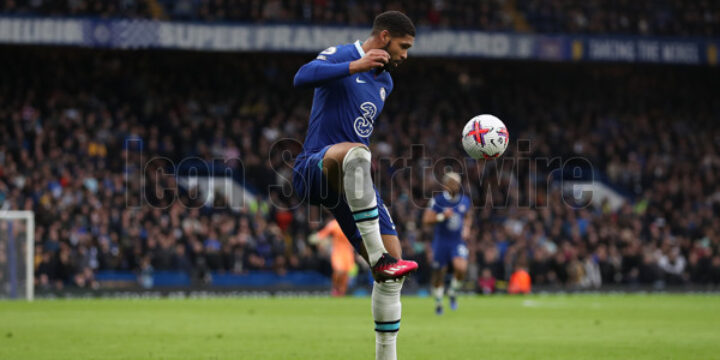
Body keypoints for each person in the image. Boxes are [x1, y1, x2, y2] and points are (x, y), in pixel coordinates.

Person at [291, 11, 418, 360]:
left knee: (394, 275)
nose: (405, 55)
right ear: (384, 37)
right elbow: (301, 77)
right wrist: (355, 66)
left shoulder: (386, 83)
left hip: (351, 183)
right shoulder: (343, 54)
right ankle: (378, 257)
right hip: (315, 167)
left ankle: (386, 356)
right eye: (403, 46)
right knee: (358, 153)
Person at [422, 172, 472, 315]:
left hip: (457, 241)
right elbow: (426, 220)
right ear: (445, 184)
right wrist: (442, 216)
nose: (456, 185)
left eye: (457, 182)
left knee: (461, 268)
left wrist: (467, 228)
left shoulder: (464, 200)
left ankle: (452, 292)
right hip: (441, 241)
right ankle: (438, 303)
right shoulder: (437, 200)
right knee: (439, 273)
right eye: (452, 182)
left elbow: (468, 215)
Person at [316, 218, 356, 296]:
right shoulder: (334, 224)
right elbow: (323, 233)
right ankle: (335, 288)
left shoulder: (351, 223)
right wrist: (317, 238)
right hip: (338, 252)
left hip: (348, 252)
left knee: (345, 274)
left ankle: (341, 292)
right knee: (338, 271)